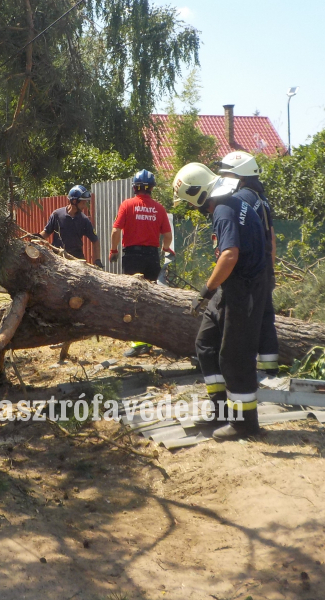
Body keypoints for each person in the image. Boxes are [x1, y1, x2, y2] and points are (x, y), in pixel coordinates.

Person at [173, 162, 267, 440]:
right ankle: (220, 412)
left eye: (190, 202)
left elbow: (229, 256)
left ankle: (245, 422)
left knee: (235, 355)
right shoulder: (230, 203)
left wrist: (206, 291)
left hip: (245, 290)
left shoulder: (224, 210)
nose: (191, 208)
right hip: (234, 286)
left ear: (198, 194)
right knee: (206, 343)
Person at [217, 151, 279, 383]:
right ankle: (270, 370)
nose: (223, 178)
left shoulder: (241, 197)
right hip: (263, 267)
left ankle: (242, 371)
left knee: (246, 318)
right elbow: (271, 238)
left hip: (249, 270)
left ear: (239, 175)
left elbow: (237, 239)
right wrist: (269, 271)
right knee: (265, 316)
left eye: (226, 173)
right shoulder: (261, 198)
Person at [110, 169, 174, 357]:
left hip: (132, 257)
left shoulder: (127, 205)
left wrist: (113, 250)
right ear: (151, 189)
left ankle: (139, 342)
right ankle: (150, 338)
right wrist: (165, 248)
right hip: (152, 257)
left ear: (135, 188)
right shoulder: (159, 208)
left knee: (133, 298)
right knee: (150, 297)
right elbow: (168, 236)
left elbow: (115, 231)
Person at [40, 185, 100, 262]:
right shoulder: (57, 215)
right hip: (57, 259)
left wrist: (97, 260)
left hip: (77, 260)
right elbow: (46, 232)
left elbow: (95, 240)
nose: (85, 206)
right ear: (74, 201)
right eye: (83, 202)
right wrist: (36, 237)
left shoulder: (84, 220)